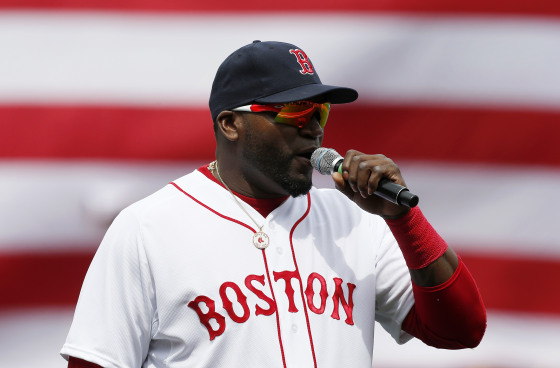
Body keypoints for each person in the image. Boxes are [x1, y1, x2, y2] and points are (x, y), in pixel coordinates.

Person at [61, 40, 486, 368]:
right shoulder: (147, 228)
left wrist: (404, 217)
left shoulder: (356, 220)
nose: (313, 131)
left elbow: (461, 330)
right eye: (295, 114)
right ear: (231, 124)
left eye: (320, 114)